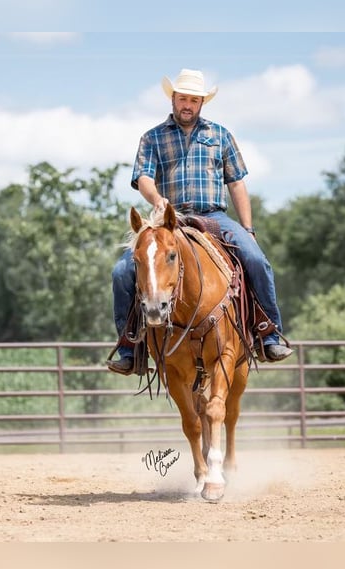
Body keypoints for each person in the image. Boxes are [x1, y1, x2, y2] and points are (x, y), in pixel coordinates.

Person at [107, 68, 293, 375]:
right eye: (182, 98)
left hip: (213, 216)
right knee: (122, 271)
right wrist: (157, 201)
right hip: (170, 221)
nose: (187, 105)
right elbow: (143, 178)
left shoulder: (220, 135)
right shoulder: (152, 137)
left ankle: (267, 333)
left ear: (202, 103)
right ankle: (131, 346)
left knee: (256, 260)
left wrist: (248, 229)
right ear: (173, 99)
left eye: (193, 100)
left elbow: (236, 183)